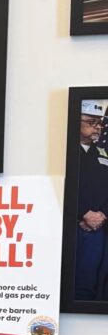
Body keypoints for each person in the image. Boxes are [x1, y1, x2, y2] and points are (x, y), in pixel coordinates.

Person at [75, 100, 108, 299]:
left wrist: (102, 215)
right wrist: (83, 213)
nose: (97, 127)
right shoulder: (65, 152)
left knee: (92, 282)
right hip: (74, 225)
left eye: (99, 123)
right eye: (91, 122)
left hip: (98, 228)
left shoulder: (102, 154)